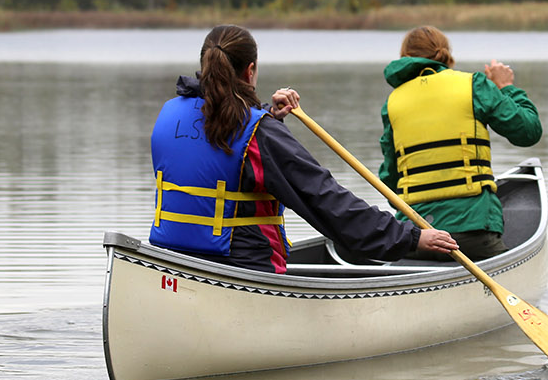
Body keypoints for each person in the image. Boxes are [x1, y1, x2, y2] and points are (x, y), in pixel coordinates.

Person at [149, 24, 458, 273]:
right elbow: (326, 201)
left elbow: (219, 146)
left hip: (175, 265)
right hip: (244, 269)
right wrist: (412, 237)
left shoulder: (168, 115)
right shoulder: (260, 134)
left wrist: (267, 116)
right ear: (250, 71)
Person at [379, 26, 542, 260]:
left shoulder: (392, 102)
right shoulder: (473, 85)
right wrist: (506, 87)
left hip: (417, 237)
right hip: (473, 232)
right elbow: (529, 132)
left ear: (404, 57)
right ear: (446, 54)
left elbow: (390, 180)